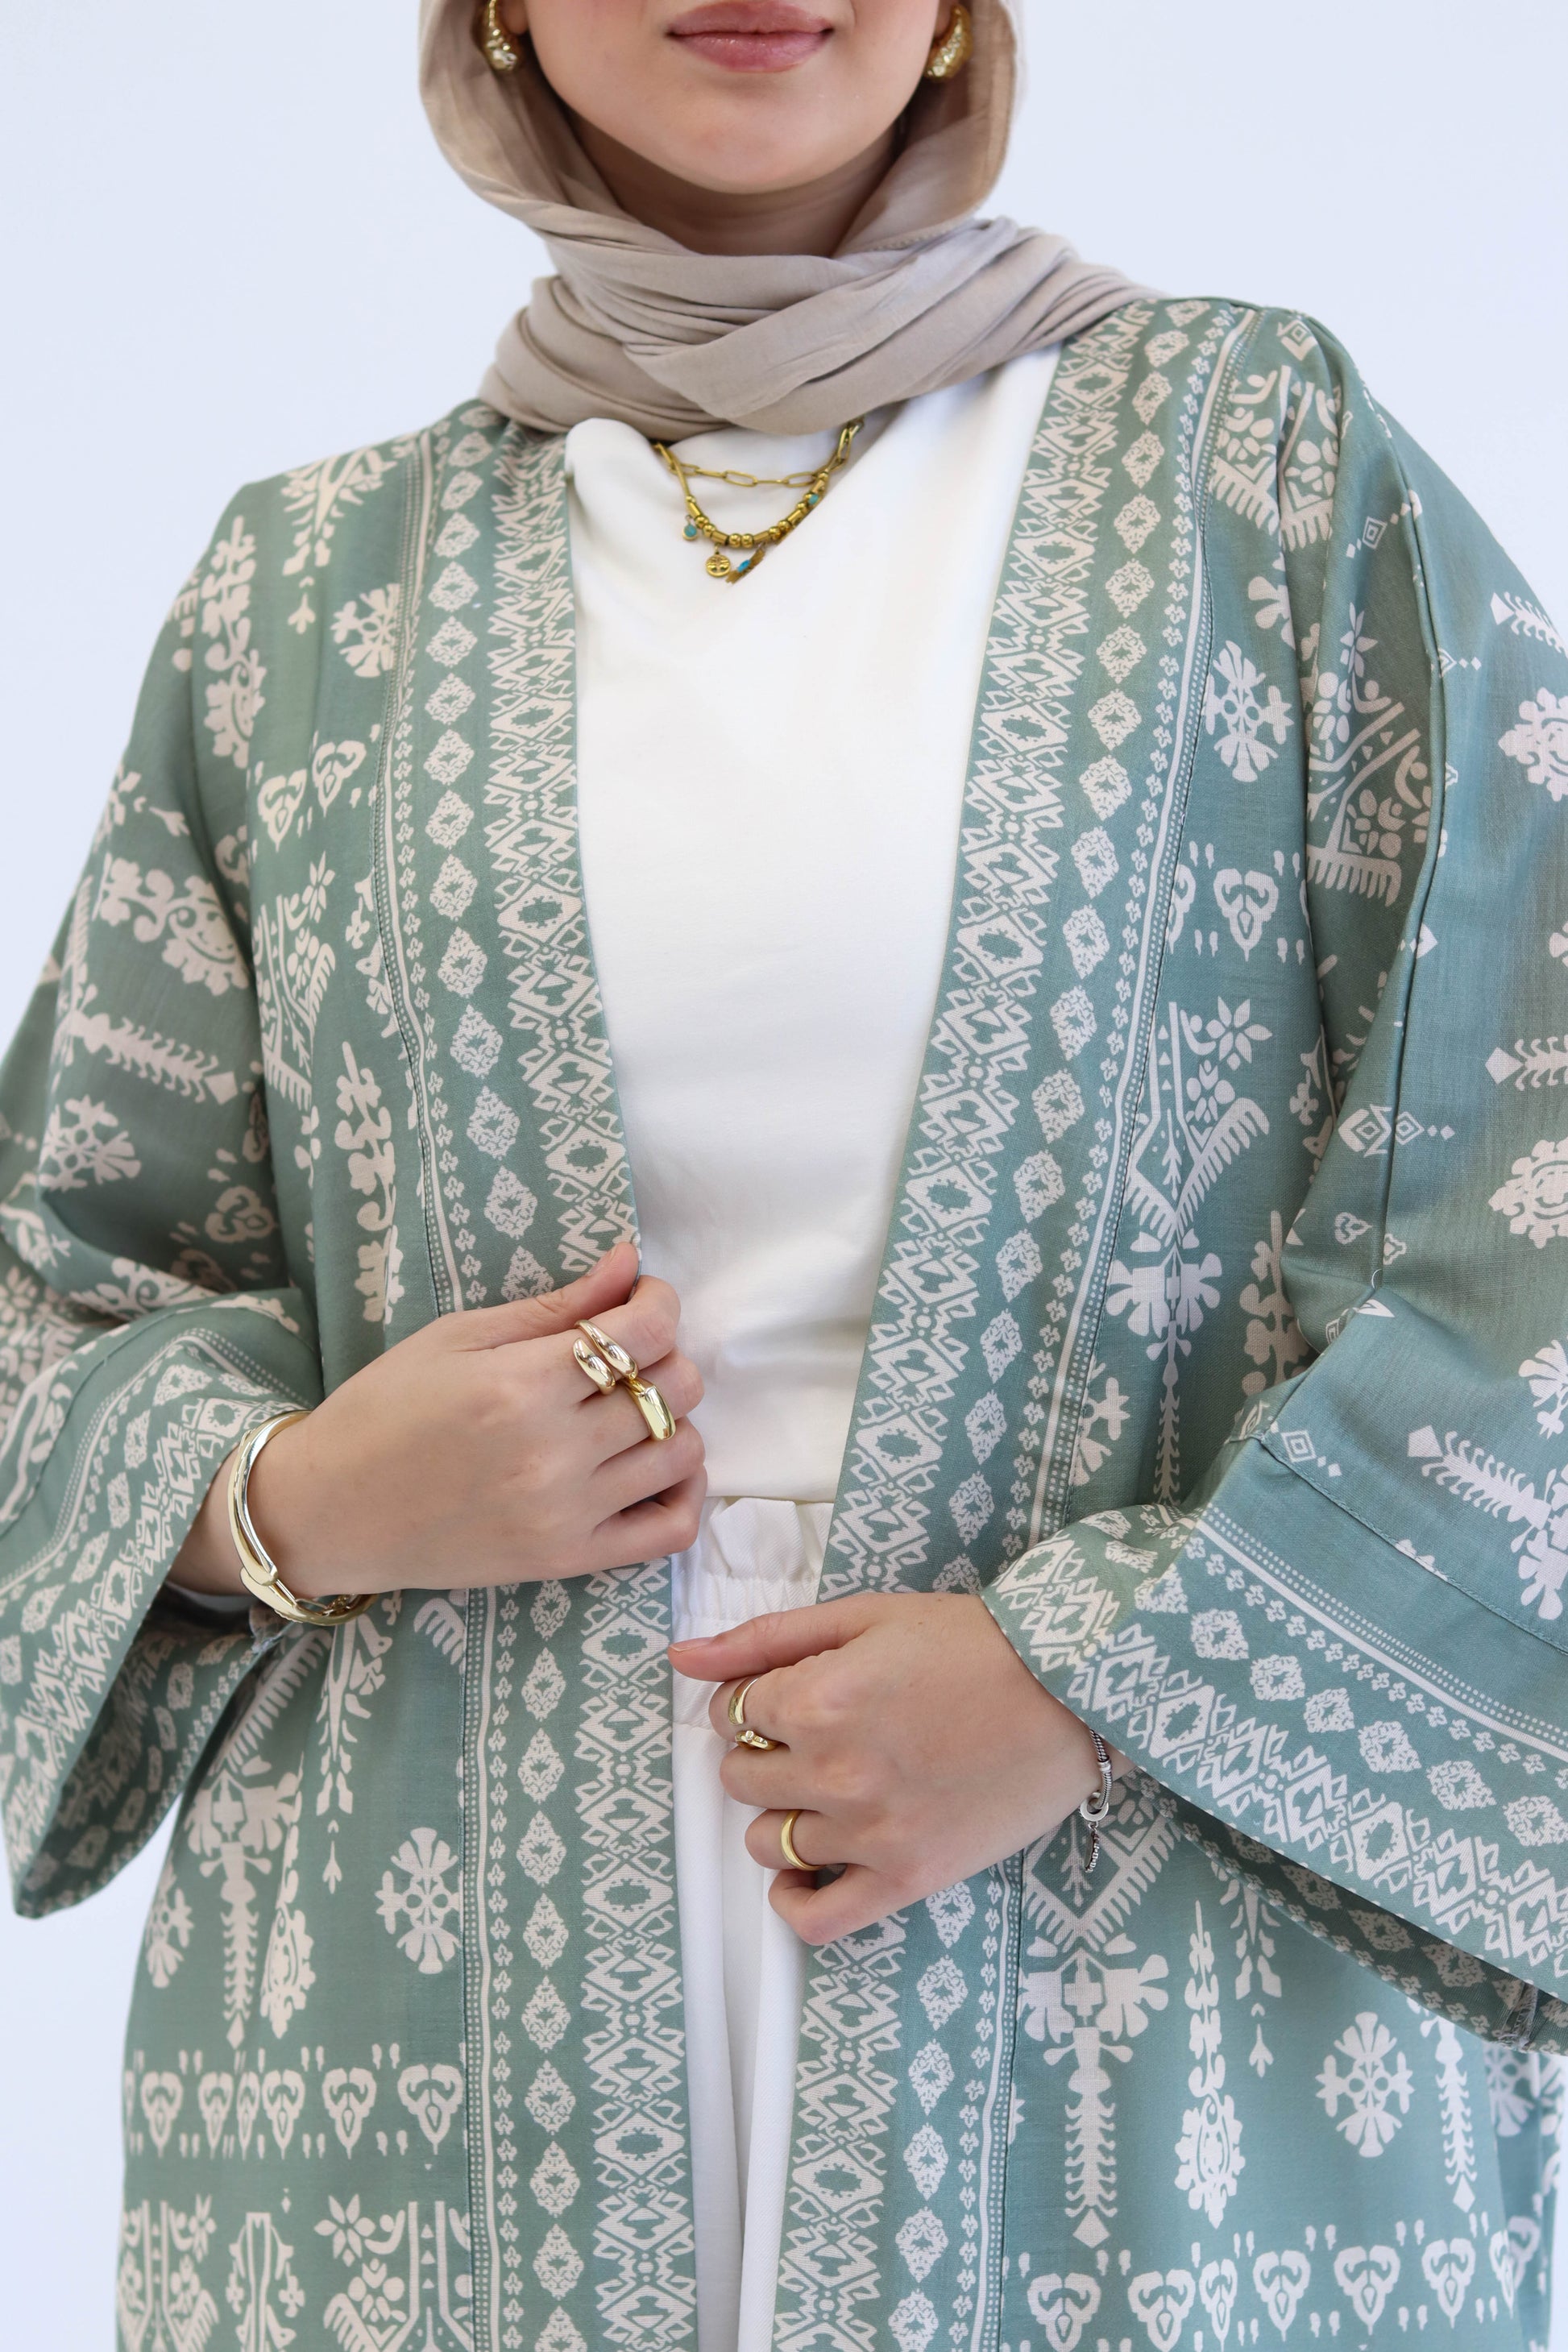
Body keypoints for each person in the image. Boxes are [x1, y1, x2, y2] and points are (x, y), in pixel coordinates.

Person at [2, 2, 1565, 2346]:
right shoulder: (304, 595)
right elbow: (57, 1279)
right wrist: (296, 1503)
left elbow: (1533, 1170)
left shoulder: (1258, 470)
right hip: (419, 2018)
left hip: (1128, 1958)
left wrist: (1094, 1684)